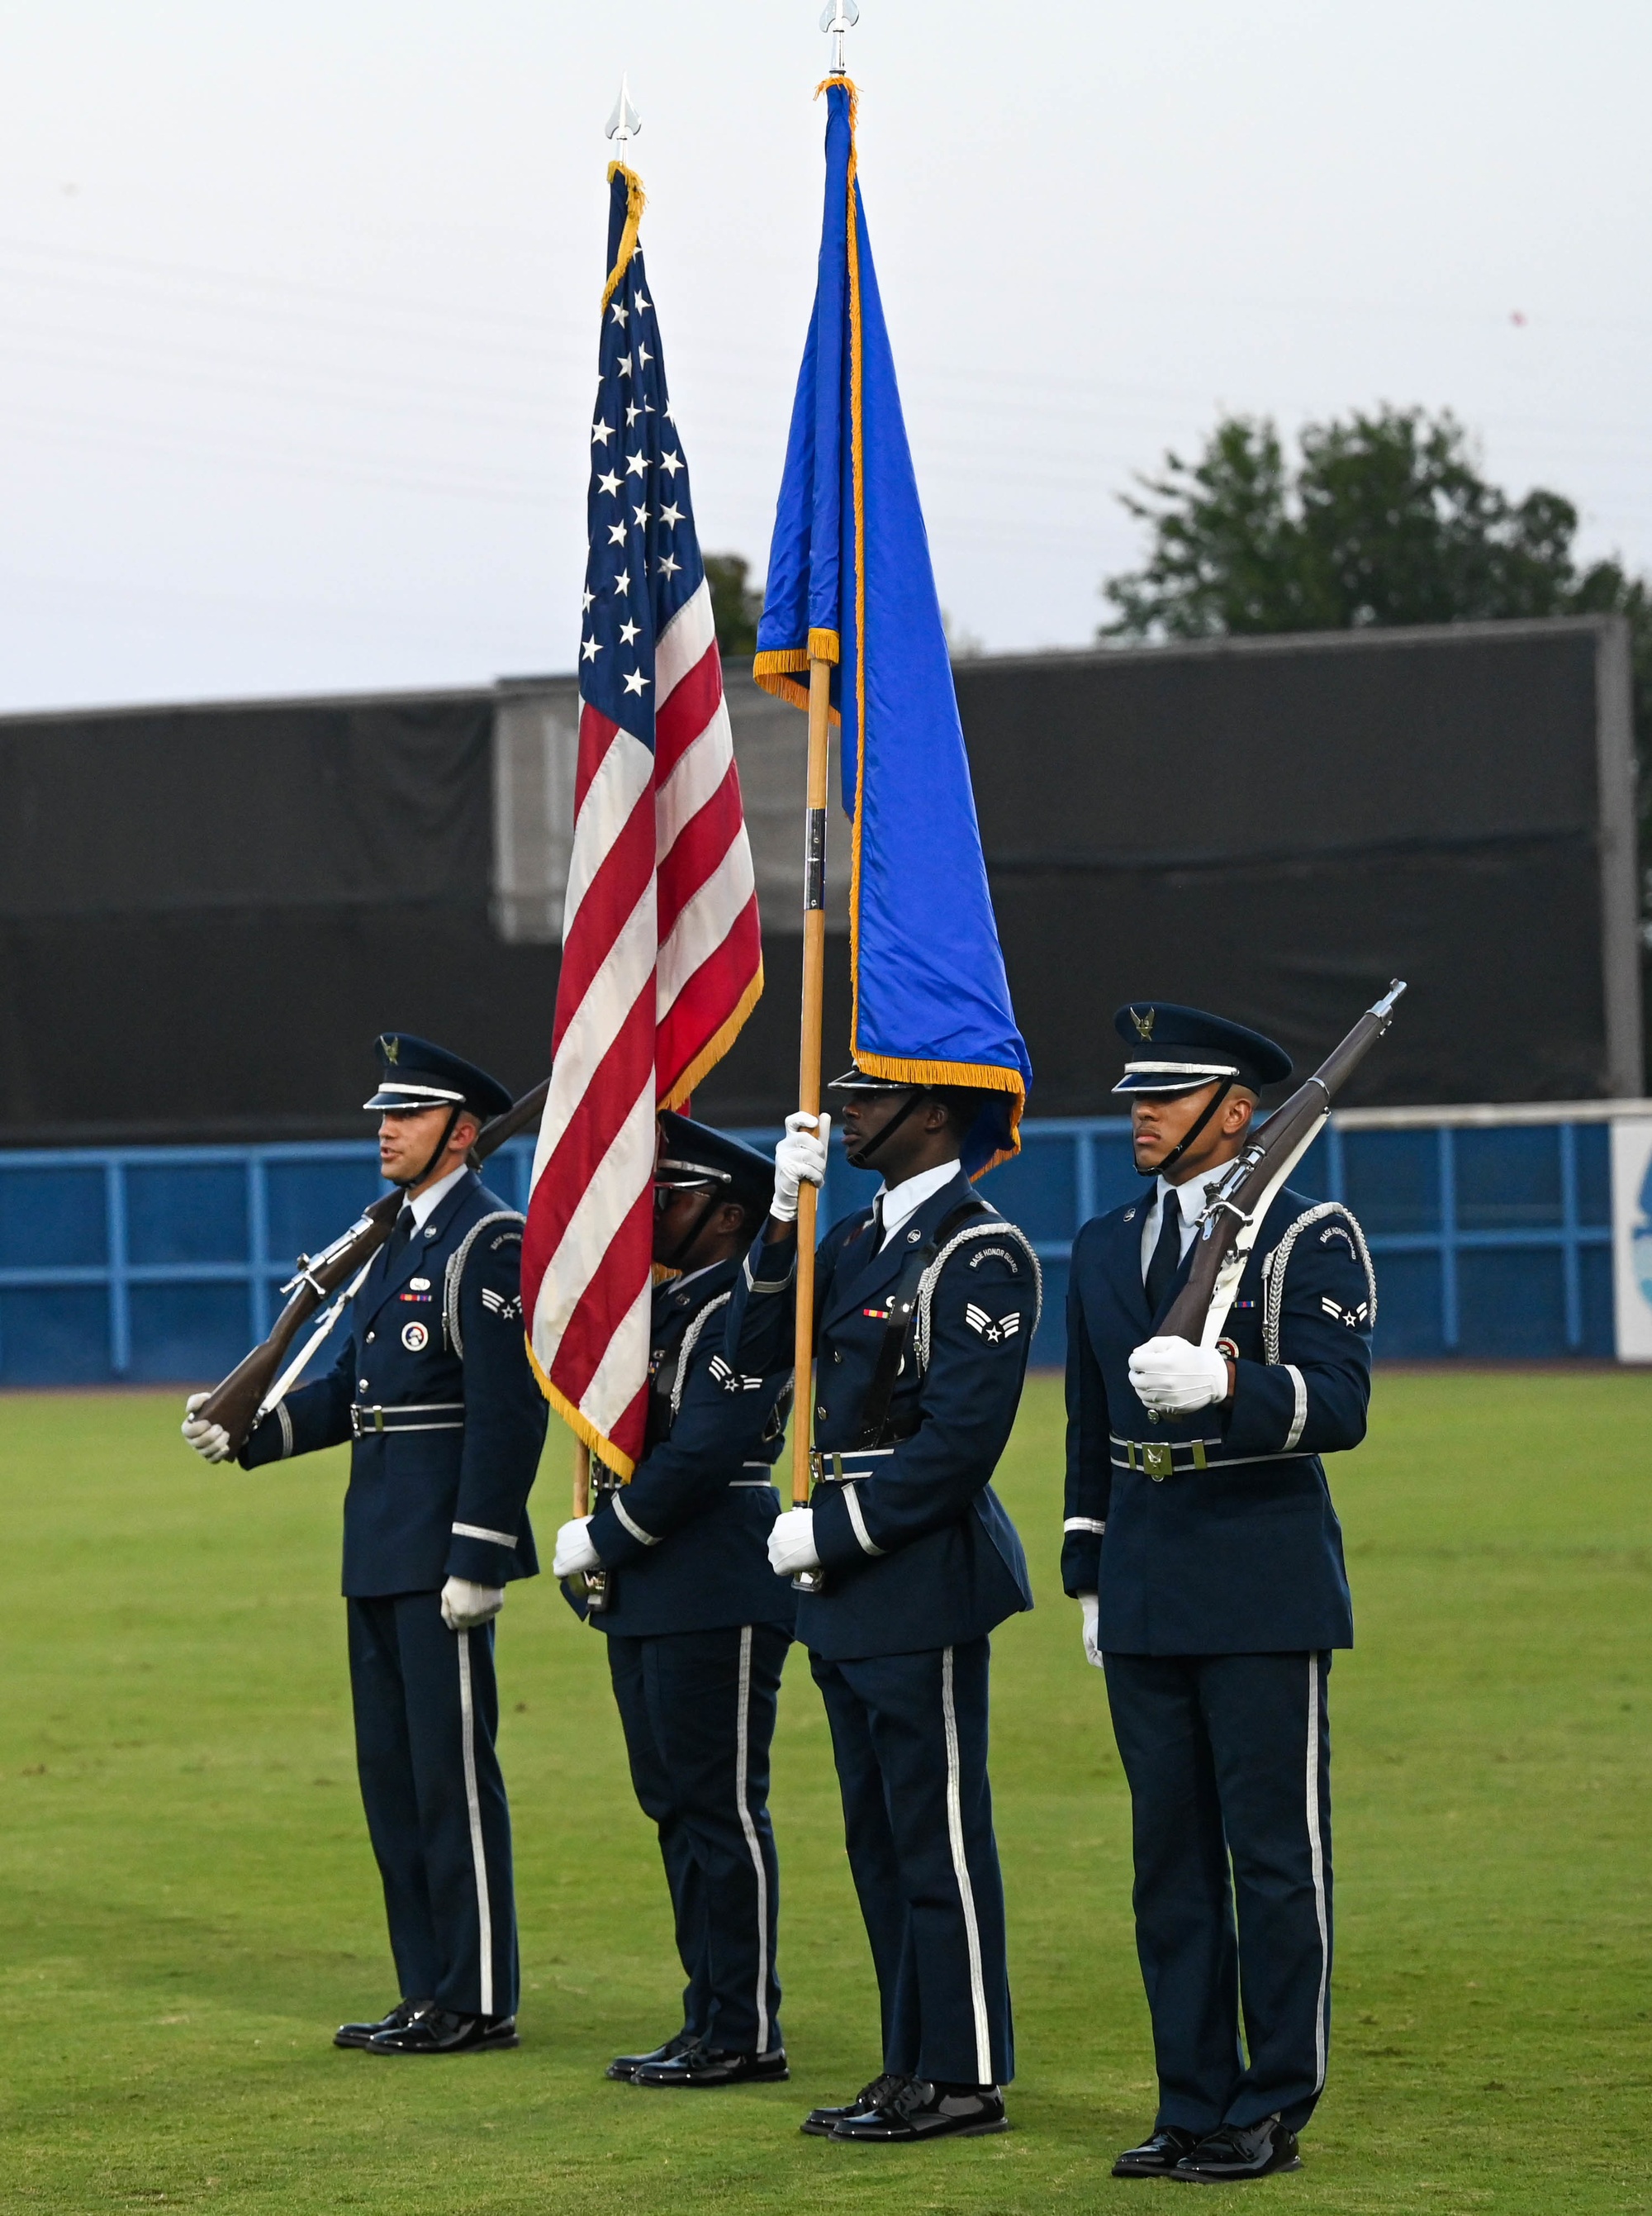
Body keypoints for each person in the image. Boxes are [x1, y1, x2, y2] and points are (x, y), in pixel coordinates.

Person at [182, 1034, 547, 2057]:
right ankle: (425, 1988)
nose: (385, 1130)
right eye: (383, 1115)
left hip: (440, 1549)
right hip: (377, 1539)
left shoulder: (490, 1241)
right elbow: (357, 1394)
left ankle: (477, 1998)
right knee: (392, 1776)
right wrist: (249, 1430)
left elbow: (507, 1412)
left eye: (410, 1115)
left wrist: (479, 1554)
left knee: (451, 1779)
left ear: (463, 1133)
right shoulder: (395, 1242)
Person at [1062, 1003, 1375, 2184]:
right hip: (1146, 1575)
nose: (1139, 1112)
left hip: (1260, 1572)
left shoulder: (1306, 1233)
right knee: (1170, 1860)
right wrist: (1089, 1566)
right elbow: (1088, 1425)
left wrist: (1229, 1379)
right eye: (1137, 1094)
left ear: (1236, 1111)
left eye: (1166, 1096)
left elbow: (1340, 1403)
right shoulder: (1104, 1243)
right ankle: (1190, 2098)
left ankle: (1272, 2100)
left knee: (1276, 1856)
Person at [725, 1066, 1037, 2144]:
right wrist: (777, 1220)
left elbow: (957, 1444)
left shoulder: (978, 1250)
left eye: (865, 1098)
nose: (842, 1111)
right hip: (846, 1581)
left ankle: (967, 2071)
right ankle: (910, 2060)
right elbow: (752, 1350)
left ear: (935, 1112)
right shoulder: (856, 1239)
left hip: (916, 1570)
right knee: (880, 1837)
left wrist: (837, 1527)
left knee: (938, 1831)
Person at [550, 1113, 796, 2090]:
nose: (647, 1215)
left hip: (715, 1574)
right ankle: (707, 2019)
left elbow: (705, 1450)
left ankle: (744, 2030)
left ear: (726, 1214)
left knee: (720, 1806)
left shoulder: (741, 1304)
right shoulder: (658, 1310)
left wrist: (605, 1535)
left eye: (670, 1199)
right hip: (656, 1580)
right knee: (672, 1804)